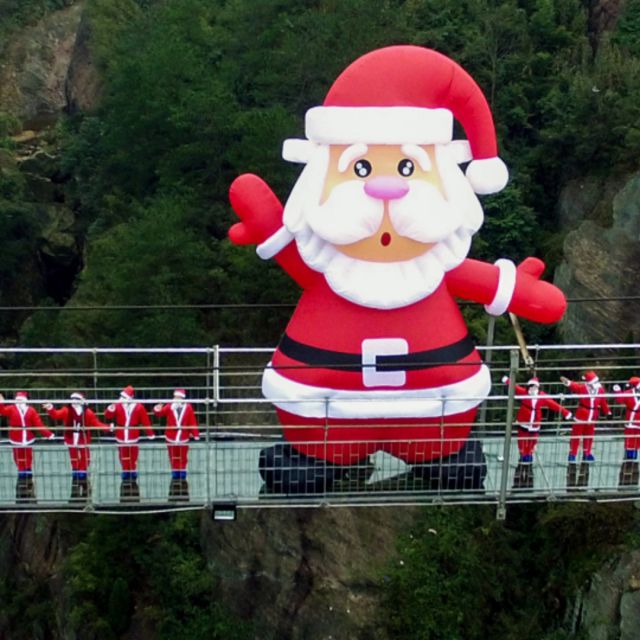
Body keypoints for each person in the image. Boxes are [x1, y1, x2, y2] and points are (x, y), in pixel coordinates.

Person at [228, 45, 567, 494]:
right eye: (360, 167)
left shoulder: (435, 267)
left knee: (443, 451)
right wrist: (269, 225)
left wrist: (522, 291)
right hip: (328, 412)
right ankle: (318, 455)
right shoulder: (323, 263)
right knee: (316, 448)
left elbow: (538, 301)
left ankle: (439, 455)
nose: (385, 186)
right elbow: (289, 246)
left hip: (429, 413)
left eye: (408, 167)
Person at [43, 392, 111, 498]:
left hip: (83, 439)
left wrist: (108, 428)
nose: (74, 402)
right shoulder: (66, 410)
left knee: (85, 458)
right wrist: (50, 408)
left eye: (76, 400)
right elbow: (56, 415)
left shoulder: (88, 412)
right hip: (71, 438)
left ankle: (82, 478)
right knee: (74, 459)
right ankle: (76, 479)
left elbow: (96, 423)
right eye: (72, 399)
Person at [502, 376, 572, 462]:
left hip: (535, 422)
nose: (533, 389)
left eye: (535, 387)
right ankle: (522, 456)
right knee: (522, 439)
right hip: (523, 420)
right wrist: (507, 380)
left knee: (532, 440)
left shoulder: (542, 396)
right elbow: (515, 386)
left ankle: (529, 456)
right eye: (531, 387)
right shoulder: (524, 393)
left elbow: (554, 405)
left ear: (538, 387)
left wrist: (566, 412)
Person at [104, 385, 154, 480]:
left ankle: (132, 470)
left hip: (133, 434)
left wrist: (150, 433)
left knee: (133, 455)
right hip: (121, 434)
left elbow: (145, 421)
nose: (122, 399)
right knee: (122, 455)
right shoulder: (117, 405)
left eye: (124, 397)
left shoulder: (138, 407)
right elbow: (107, 416)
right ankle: (125, 471)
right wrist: (110, 408)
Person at [560, 371, 611, 462]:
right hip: (582, 415)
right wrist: (567, 381)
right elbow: (574, 386)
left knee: (589, 436)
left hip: (593, 415)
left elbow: (603, 402)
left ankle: (587, 453)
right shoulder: (583, 388)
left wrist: (608, 412)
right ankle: (572, 454)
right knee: (576, 435)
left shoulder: (600, 389)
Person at [0, 391, 54, 477]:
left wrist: (48, 434)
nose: (19, 402)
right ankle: (21, 472)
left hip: (28, 438)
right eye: (17, 400)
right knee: (17, 456)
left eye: (21, 400)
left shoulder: (31, 410)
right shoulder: (11, 408)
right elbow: (2, 411)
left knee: (28, 456)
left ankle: (28, 471)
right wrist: (1, 402)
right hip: (16, 437)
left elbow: (38, 424)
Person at [153, 389, 200, 480]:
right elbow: (160, 413)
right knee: (173, 456)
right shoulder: (170, 406)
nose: (176, 398)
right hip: (171, 436)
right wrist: (157, 408)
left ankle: (182, 471)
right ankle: (175, 472)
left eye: (178, 397)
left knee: (183, 456)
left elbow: (192, 421)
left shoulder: (188, 407)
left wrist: (195, 434)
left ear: (182, 398)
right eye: (175, 397)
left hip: (183, 436)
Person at [612, 376, 640, 460]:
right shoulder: (629, 393)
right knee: (631, 439)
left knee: (635, 439)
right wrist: (617, 391)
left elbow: (620, 399)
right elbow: (620, 399)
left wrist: (617, 391)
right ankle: (630, 456)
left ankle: (632, 456)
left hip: (635, 420)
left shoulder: (629, 393)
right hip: (631, 419)